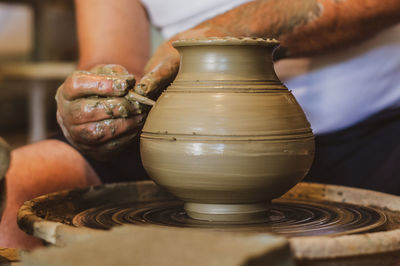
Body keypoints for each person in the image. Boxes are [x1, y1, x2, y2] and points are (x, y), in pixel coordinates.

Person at [1, 0, 399, 249]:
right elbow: (114, 55)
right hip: (184, 140)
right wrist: (96, 104)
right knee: (17, 188)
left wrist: (242, 27)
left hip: (380, 123)